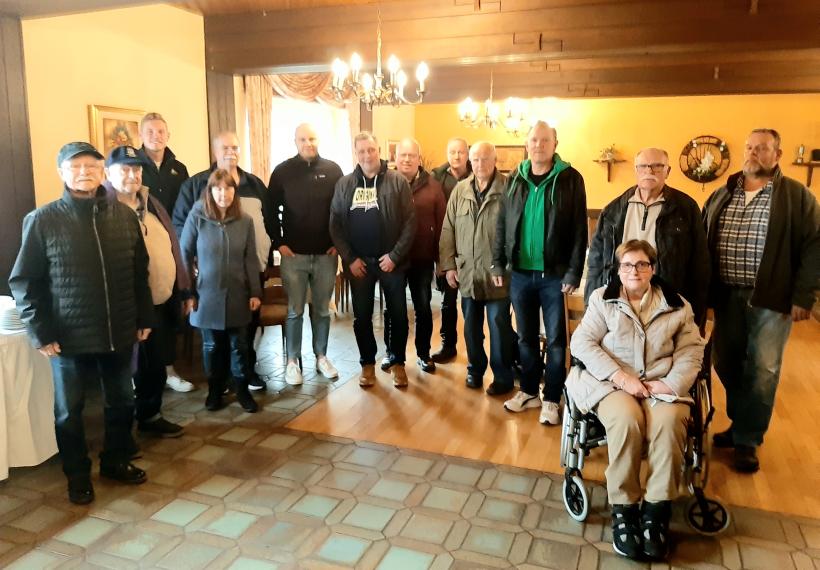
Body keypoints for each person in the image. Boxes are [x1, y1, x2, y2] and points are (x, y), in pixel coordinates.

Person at [9, 142, 154, 505]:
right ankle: (77, 475)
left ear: (102, 172)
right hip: (67, 337)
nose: (84, 172)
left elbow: (139, 272)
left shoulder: (124, 217)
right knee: (68, 411)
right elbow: (24, 282)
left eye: (91, 166)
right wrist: (40, 332)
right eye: (75, 166)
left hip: (118, 330)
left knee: (122, 402)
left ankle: (115, 461)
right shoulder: (42, 220)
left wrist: (143, 316)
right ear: (62, 173)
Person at [567, 240, 705, 561]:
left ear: (653, 269)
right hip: (612, 384)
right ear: (618, 270)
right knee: (626, 420)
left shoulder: (677, 305)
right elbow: (582, 343)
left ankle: (657, 509)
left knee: (670, 422)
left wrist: (669, 384)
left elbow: (691, 350)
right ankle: (625, 508)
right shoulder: (603, 299)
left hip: (660, 385)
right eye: (627, 265)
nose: (634, 271)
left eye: (642, 264)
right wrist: (621, 377)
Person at [703, 128, 819, 473]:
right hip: (726, 294)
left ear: (777, 154)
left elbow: (815, 246)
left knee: (763, 369)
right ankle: (741, 423)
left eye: (763, 148)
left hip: (771, 297)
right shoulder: (723, 192)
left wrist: (805, 296)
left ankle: (748, 439)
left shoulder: (796, 196)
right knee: (725, 361)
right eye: (749, 147)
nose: (754, 153)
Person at [492, 121, 588, 425]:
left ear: (555, 144)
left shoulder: (571, 179)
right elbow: (502, 223)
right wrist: (497, 262)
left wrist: (573, 272)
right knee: (526, 337)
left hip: (555, 276)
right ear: (527, 143)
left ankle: (551, 398)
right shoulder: (514, 179)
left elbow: (579, 229)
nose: (539, 145)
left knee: (557, 339)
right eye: (534, 140)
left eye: (545, 140)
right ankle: (530, 391)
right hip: (520, 274)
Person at [174, 131, 272, 391]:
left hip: (249, 272)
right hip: (208, 276)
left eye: (235, 147)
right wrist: (194, 265)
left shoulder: (254, 184)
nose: (231, 152)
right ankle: (221, 383)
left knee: (245, 332)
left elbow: (270, 221)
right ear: (215, 151)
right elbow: (181, 229)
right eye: (225, 147)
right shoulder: (195, 185)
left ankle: (246, 374)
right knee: (215, 338)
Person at [103, 145, 188, 439]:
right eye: (125, 169)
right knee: (129, 371)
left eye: (136, 169)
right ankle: (121, 435)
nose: (132, 175)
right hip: (126, 307)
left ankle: (151, 416)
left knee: (156, 366)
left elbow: (174, 246)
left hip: (160, 301)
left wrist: (184, 289)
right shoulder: (103, 209)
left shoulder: (152, 203)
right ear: (108, 173)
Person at [329, 132, 416, 388]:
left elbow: (410, 223)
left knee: (398, 314)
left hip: (391, 262)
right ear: (356, 153)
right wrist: (350, 258)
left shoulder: (397, 181)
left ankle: (398, 363)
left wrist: (395, 256)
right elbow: (335, 225)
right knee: (362, 317)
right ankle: (367, 364)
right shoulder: (344, 184)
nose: (367, 155)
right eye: (362, 151)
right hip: (360, 264)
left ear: (379, 150)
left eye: (371, 150)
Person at [586, 147, 709, 323]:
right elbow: (596, 262)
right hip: (620, 302)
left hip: (668, 302)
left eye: (657, 166)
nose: (649, 171)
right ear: (636, 170)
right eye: (643, 166)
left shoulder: (686, 208)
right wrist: (590, 305)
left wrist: (697, 314)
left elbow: (700, 264)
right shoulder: (613, 210)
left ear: (668, 171)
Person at [180, 169, 262, 413]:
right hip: (206, 295)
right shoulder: (197, 216)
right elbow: (184, 254)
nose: (223, 194)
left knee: (240, 346)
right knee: (212, 346)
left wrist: (255, 292)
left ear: (235, 192)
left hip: (238, 294)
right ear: (210, 191)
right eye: (218, 189)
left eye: (228, 188)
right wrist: (188, 292)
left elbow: (250, 259)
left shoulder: (245, 221)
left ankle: (243, 391)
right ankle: (214, 391)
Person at [268, 123, 343, 386]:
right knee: (294, 311)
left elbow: (342, 209)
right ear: (295, 142)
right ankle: (292, 362)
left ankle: (321, 356)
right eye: (302, 139)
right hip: (294, 256)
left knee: (322, 311)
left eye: (312, 138)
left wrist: (338, 242)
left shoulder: (333, 170)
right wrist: (279, 243)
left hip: (326, 255)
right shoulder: (282, 172)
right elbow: (270, 210)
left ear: (318, 140)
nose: (308, 143)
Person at [440, 141, 515, 394]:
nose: (480, 164)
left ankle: (502, 376)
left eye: (485, 159)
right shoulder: (460, 190)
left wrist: (506, 266)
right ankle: (475, 370)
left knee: (499, 327)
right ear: (469, 162)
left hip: (498, 276)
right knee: (471, 328)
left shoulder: (509, 189)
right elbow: (448, 229)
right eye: (475, 159)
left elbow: (515, 233)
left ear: (495, 161)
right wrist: (449, 265)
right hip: (468, 273)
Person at [137, 112, 193, 393]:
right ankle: (141, 375)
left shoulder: (179, 169)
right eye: (150, 131)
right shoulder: (134, 167)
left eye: (160, 131)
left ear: (168, 135)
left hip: (174, 246)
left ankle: (170, 370)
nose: (156, 136)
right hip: (143, 246)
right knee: (144, 311)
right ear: (141, 135)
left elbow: (187, 208)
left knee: (171, 311)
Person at [382, 138, 446, 373]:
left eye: (412, 155)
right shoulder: (386, 183)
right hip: (393, 260)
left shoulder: (433, 187)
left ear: (419, 159)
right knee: (393, 309)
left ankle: (423, 353)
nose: (407, 159)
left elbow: (442, 225)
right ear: (395, 158)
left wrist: (441, 260)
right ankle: (392, 353)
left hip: (422, 259)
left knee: (423, 308)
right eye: (403, 155)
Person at [430, 137, 471, 362]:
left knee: (470, 303)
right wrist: (440, 258)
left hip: (470, 248)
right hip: (446, 247)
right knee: (448, 302)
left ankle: (474, 349)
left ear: (467, 154)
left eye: (461, 152)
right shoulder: (436, 178)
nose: (456, 156)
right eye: (452, 152)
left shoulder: (476, 175)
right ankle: (448, 345)